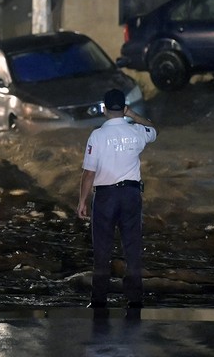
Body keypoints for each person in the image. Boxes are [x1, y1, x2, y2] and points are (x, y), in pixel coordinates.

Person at [76, 88, 157, 315]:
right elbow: (153, 129)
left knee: (102, 250)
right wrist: (133, 115)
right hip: (131, 195)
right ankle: (134, 300)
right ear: (123, 108)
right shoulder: (136, 132)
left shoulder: (97, 136)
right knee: (132, 249)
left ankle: (99, 299)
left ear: (103, 110)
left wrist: (82, 200)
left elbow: (89, 173)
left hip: (105, 197)